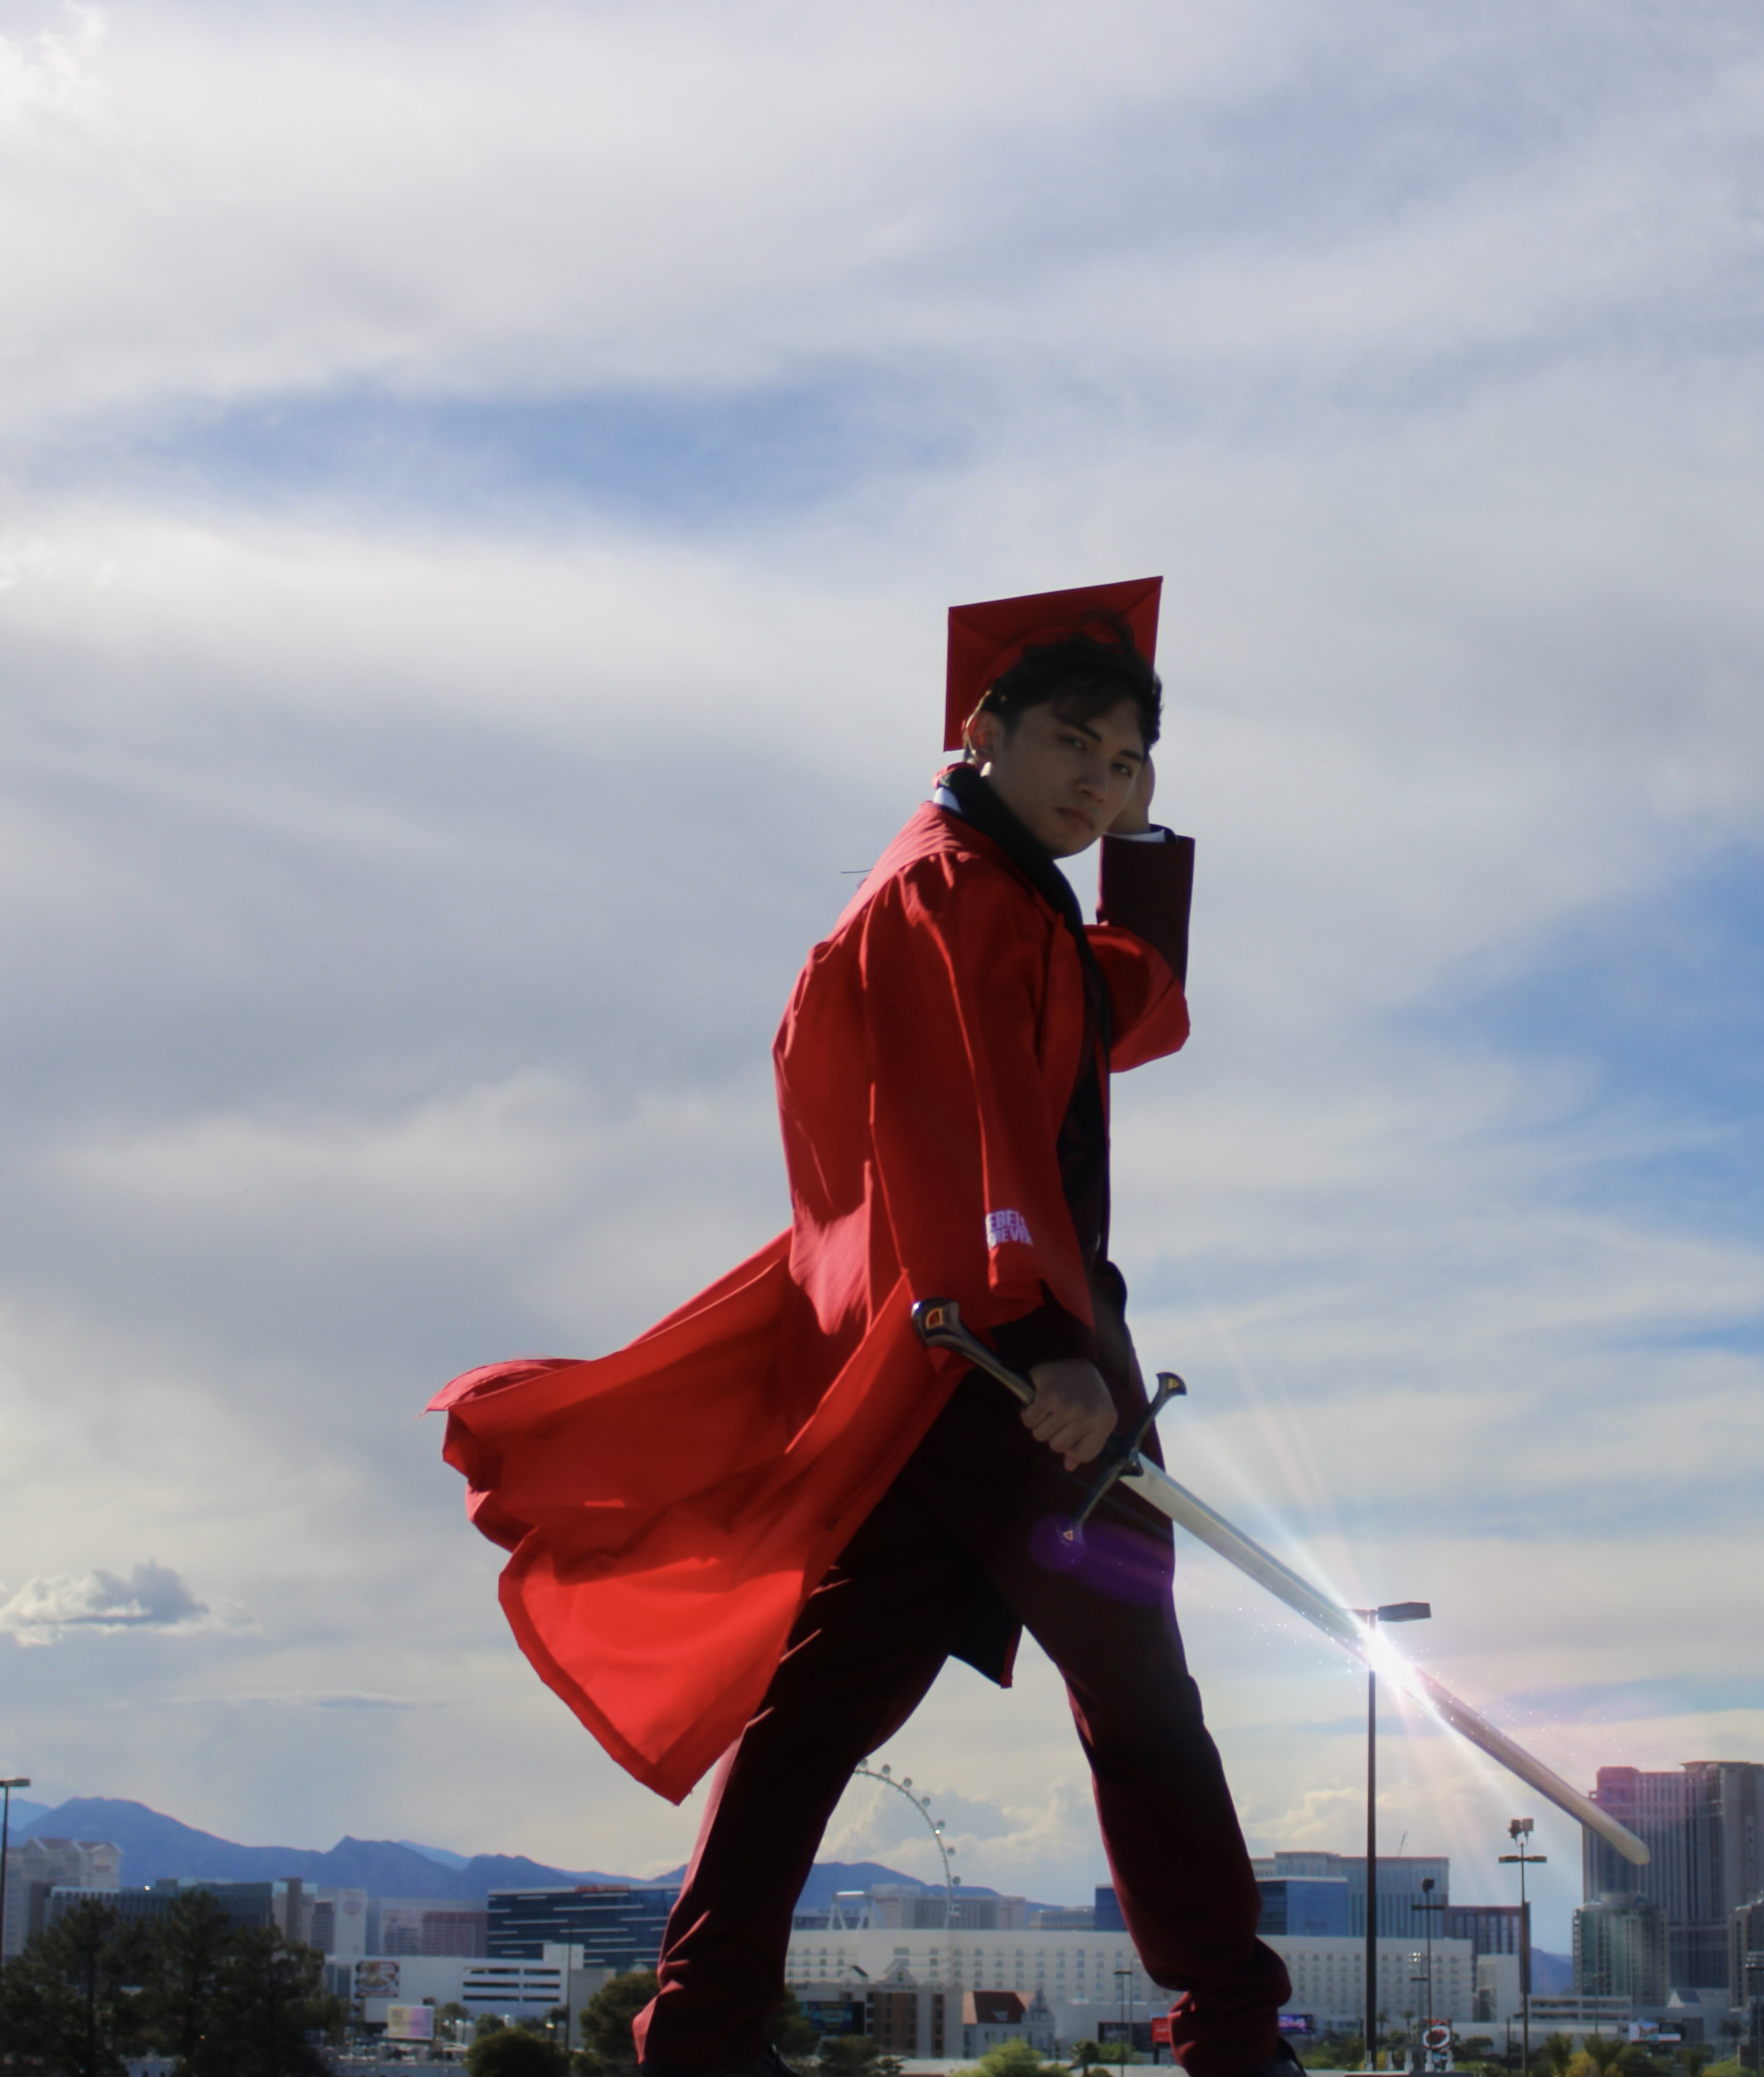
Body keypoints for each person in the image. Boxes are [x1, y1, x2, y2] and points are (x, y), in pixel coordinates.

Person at [432, 577, 1292, 2077]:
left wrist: (1142, 854)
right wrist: (1049, 1346)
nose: (1098, 782)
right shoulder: (945, 894)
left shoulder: (997, 887)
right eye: (1072, 744)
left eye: (1125, 762)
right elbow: (958, 1137)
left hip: (940, 1372)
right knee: (1142, 1707)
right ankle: (1231, 2029)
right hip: (1003, 1370)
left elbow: (1131, 1016)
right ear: (983, 727)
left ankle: (701, 2027)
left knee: (826, 1708)